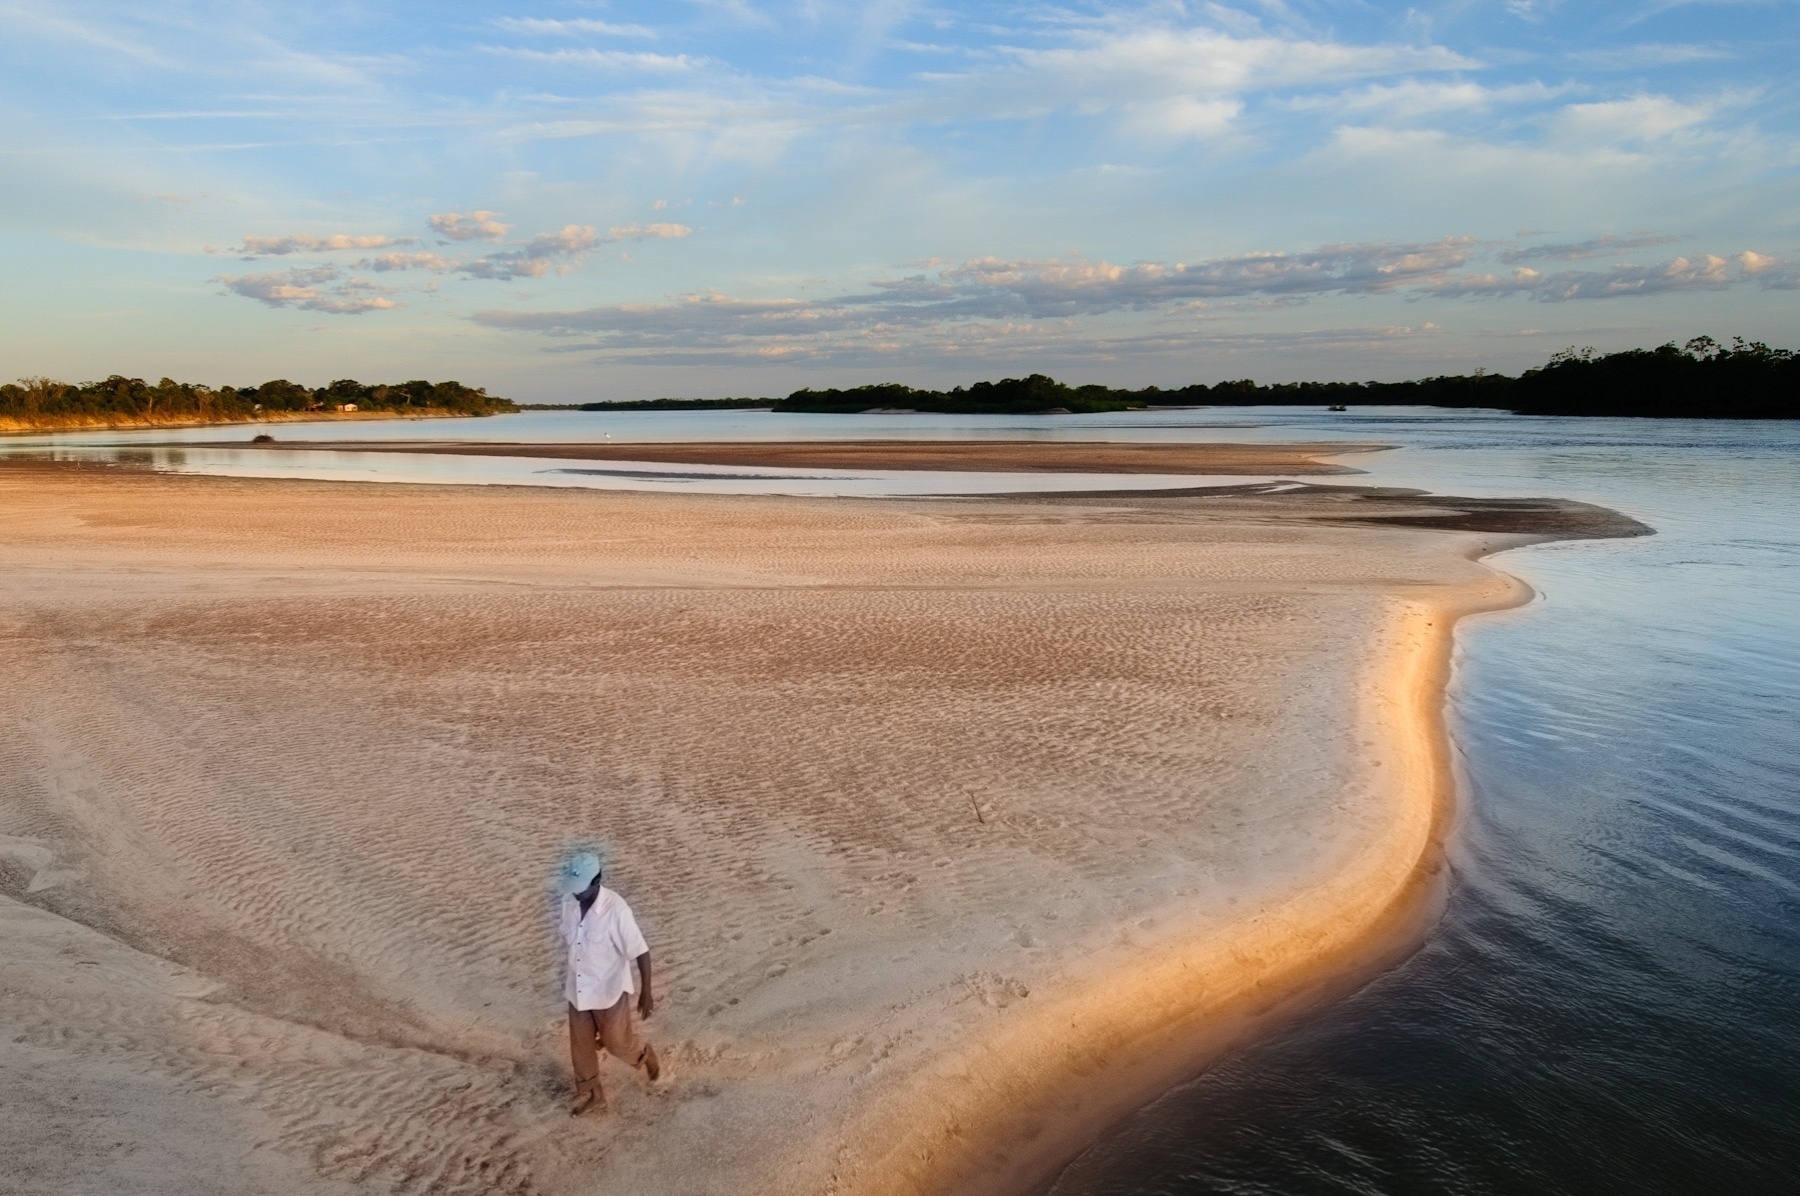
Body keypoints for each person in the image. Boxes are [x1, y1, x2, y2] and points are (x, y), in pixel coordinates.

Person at [557, 851, 660, 1116]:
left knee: (617, 1043)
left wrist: (646, 992)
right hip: (578, 989)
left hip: (608, 991)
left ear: (598, 880)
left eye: (582, 889)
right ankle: (594, 1094)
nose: (576, 894)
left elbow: (641, 951)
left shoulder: (617, 910)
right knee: (580, 1046)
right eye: (573, 889)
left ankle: (644, 1055)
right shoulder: (568, 902)